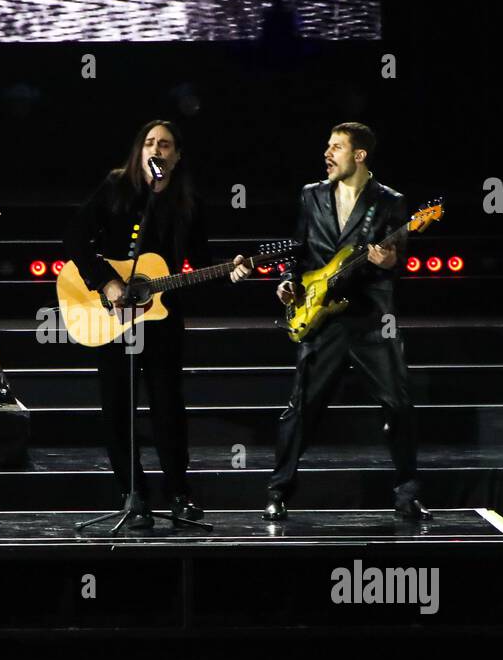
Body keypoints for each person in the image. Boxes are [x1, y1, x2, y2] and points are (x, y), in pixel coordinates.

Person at [233, 121, 430, 522]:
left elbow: (396, 264)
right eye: (327, 146)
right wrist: (288, 282)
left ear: (359, 155)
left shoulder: (389, 201)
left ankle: (407, 494)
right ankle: (278, 490)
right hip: (323, 317)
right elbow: (300, 251)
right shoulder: (311, 196)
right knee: (301, 407)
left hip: (372, 319)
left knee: (398, 405)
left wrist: (390, 261)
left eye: (336, 147)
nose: (327, 153)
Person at [64, 119, 246, 529]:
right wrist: (108, 283)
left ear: (177, 156)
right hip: (111, 314)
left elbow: (198, 262)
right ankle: (133, 493)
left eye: (165, 145)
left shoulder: (187, 202)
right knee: (116, 407)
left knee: (168, 407)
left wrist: (228, 270)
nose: (156, 150)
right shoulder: (116, 187)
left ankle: (179, 493)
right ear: (138, 151)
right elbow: (74, 238)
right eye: (149, 143)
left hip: (161, 318)